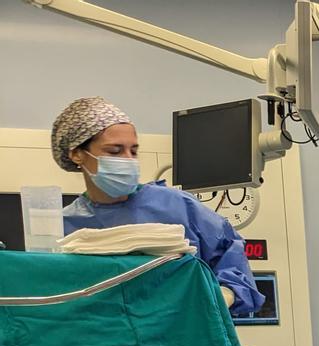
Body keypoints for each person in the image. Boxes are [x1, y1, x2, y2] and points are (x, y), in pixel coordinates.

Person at [51, 96, 264, 317]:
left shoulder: (177, 206)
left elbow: (230, 250)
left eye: (133, 151)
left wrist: (227, 293)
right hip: (105, 342)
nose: (128, 160)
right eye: (114, 151)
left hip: (180, 340)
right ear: (77, 154)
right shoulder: (65, 227)